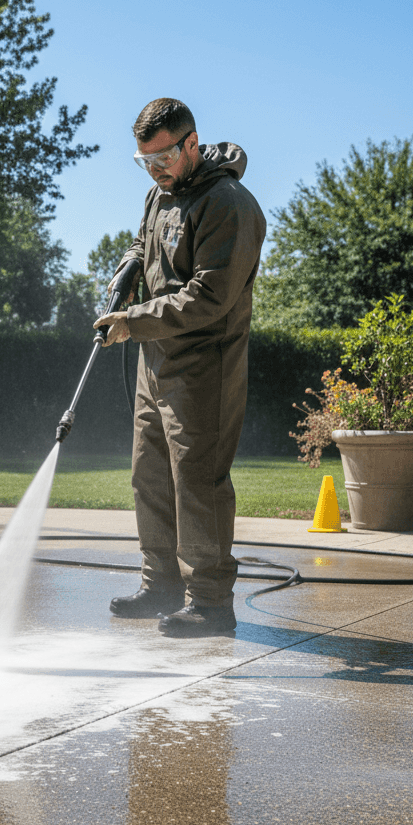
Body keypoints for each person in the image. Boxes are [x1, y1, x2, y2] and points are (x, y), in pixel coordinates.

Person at [95, 98, 267, 637]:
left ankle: (211, 603)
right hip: (155, 362)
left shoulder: (228, 204)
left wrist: (132, 320)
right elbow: (144, 241)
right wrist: (129, 265)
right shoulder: (159, 194)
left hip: (203, 366)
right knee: (148, 476)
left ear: (191, 143)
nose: (155, 169)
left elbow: (209, 296)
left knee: (197, 482)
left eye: (164, 157)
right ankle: (161, 586)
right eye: (144, 161)